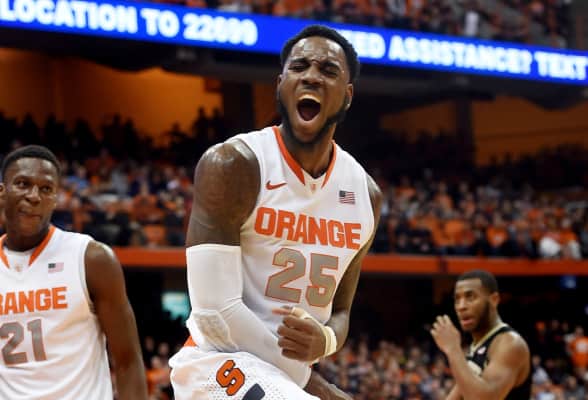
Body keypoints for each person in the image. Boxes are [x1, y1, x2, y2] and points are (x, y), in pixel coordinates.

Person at [169, 24, 382, 399]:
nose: (311, 77)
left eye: (328, 70)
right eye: (299, 67)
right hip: (216, 360)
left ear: (347, 96)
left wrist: (327, 340)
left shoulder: (365, 196)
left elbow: (341, 311)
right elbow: (214, 314)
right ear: (280, 84)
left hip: (286, 377)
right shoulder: (234, 164)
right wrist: (319, 388)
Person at [0, 145, 147, 399]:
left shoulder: (91, 258)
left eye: (46, 188)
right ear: (2, 192)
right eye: (23, 184)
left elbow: (128, 361)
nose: (34, 196)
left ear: (56, 199)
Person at [430, 269, 531, 400]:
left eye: (470, 297)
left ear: (494, 300)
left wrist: (453, 349)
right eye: (457, 299)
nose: (461, 306)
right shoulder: (477, 347)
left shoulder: (510, 343)